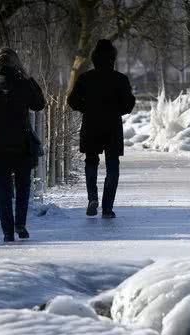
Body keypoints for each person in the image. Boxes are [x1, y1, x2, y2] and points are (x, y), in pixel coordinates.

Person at [0, 48, 46, 243]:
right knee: (23, 186)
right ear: (16, 64)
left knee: (3, 189)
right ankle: (20, 224)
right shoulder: (24, 85)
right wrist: (29, 79)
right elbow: (40, 104)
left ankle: (7, 232)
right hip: (22, 144)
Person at [67, 39, 135, 218]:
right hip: (112, 126)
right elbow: (129, 104)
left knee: (91, 161)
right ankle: (107, 208)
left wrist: (86, 108)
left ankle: (92, 199)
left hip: (91, 124)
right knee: (113, 165)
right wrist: (116, 110)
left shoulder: (85, 78)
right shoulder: (120, 79)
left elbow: (72, 101)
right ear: (112, 58)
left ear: (94, 58)